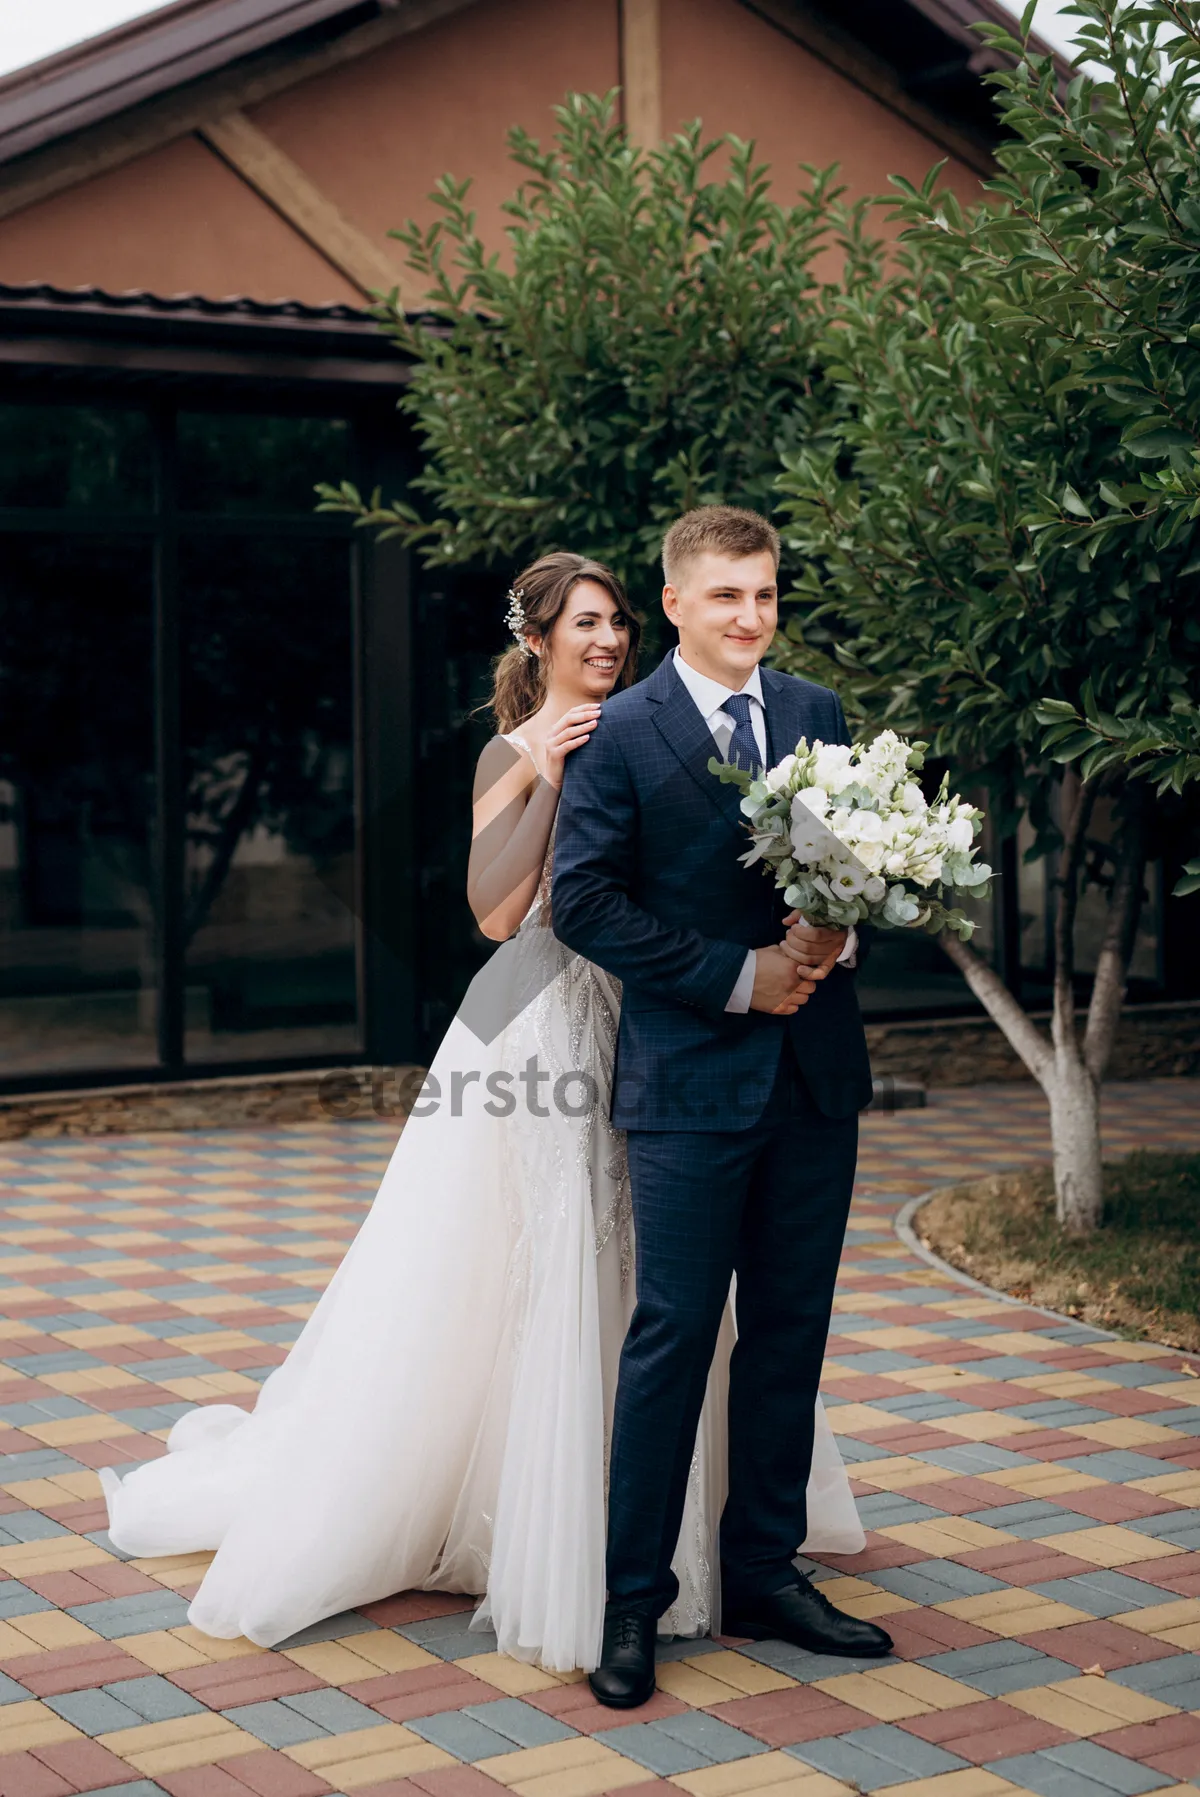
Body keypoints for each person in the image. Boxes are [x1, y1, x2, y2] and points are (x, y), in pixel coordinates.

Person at [99, 549, 865, 1669]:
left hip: (678, 1022)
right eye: (585, 625)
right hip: (560, 1019)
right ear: (538, 640)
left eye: (614, 625)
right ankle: (584, 1547)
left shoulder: (692, 725)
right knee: (571, 1276)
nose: (606, 643)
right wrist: (546, 771)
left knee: (661, 1287)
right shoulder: (521, 749)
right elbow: (500, 913)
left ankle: (724, 1541)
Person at [552, 507, 892, 1709]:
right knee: (674, 1337)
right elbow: (582, 902)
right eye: (727, 596)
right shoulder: (621, 734)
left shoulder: (816, 713)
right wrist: (734, 974)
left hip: (815, 1079)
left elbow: (852, 856)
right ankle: (631, 1604)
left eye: (767, 593)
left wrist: (840, 930)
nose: (752, 616)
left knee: (791, 1333)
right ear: (680, 603)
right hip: (692, 1080)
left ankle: (763, 1570)